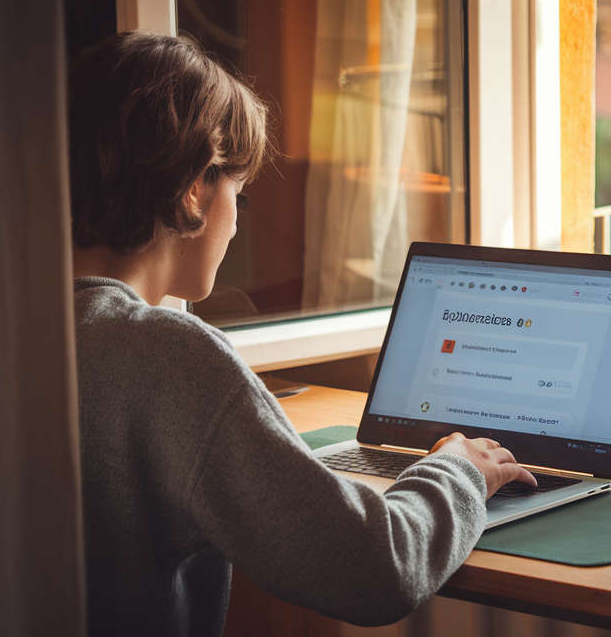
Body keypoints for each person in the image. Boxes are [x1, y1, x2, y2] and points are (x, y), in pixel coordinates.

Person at [68, 32, 536, 637]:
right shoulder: (169, 357)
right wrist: (460, 468)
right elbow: (376, 568)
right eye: (239, 193)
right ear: (195, 189)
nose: (236, 225)